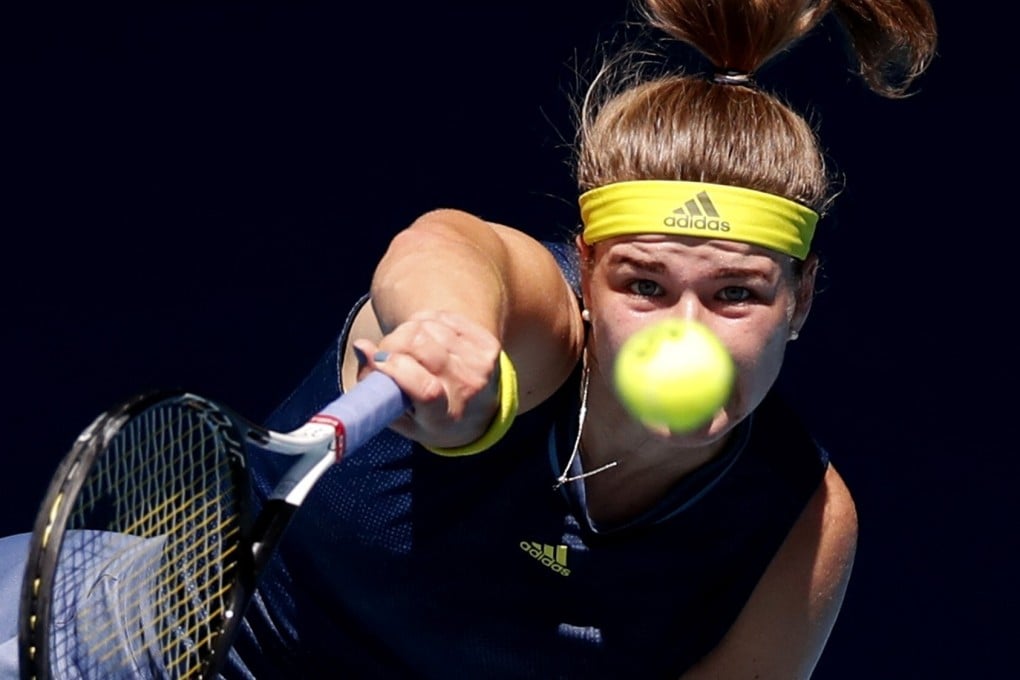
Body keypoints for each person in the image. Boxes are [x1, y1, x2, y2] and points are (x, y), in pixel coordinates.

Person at [0, 0, 937, 678]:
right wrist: (446, 336)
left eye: (736, 294)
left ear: (802, 298)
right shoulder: (534, 334)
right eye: (643, 284)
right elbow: (448, 245)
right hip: (116, 643)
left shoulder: (801, 526)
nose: (681, 336)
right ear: (584, 268)